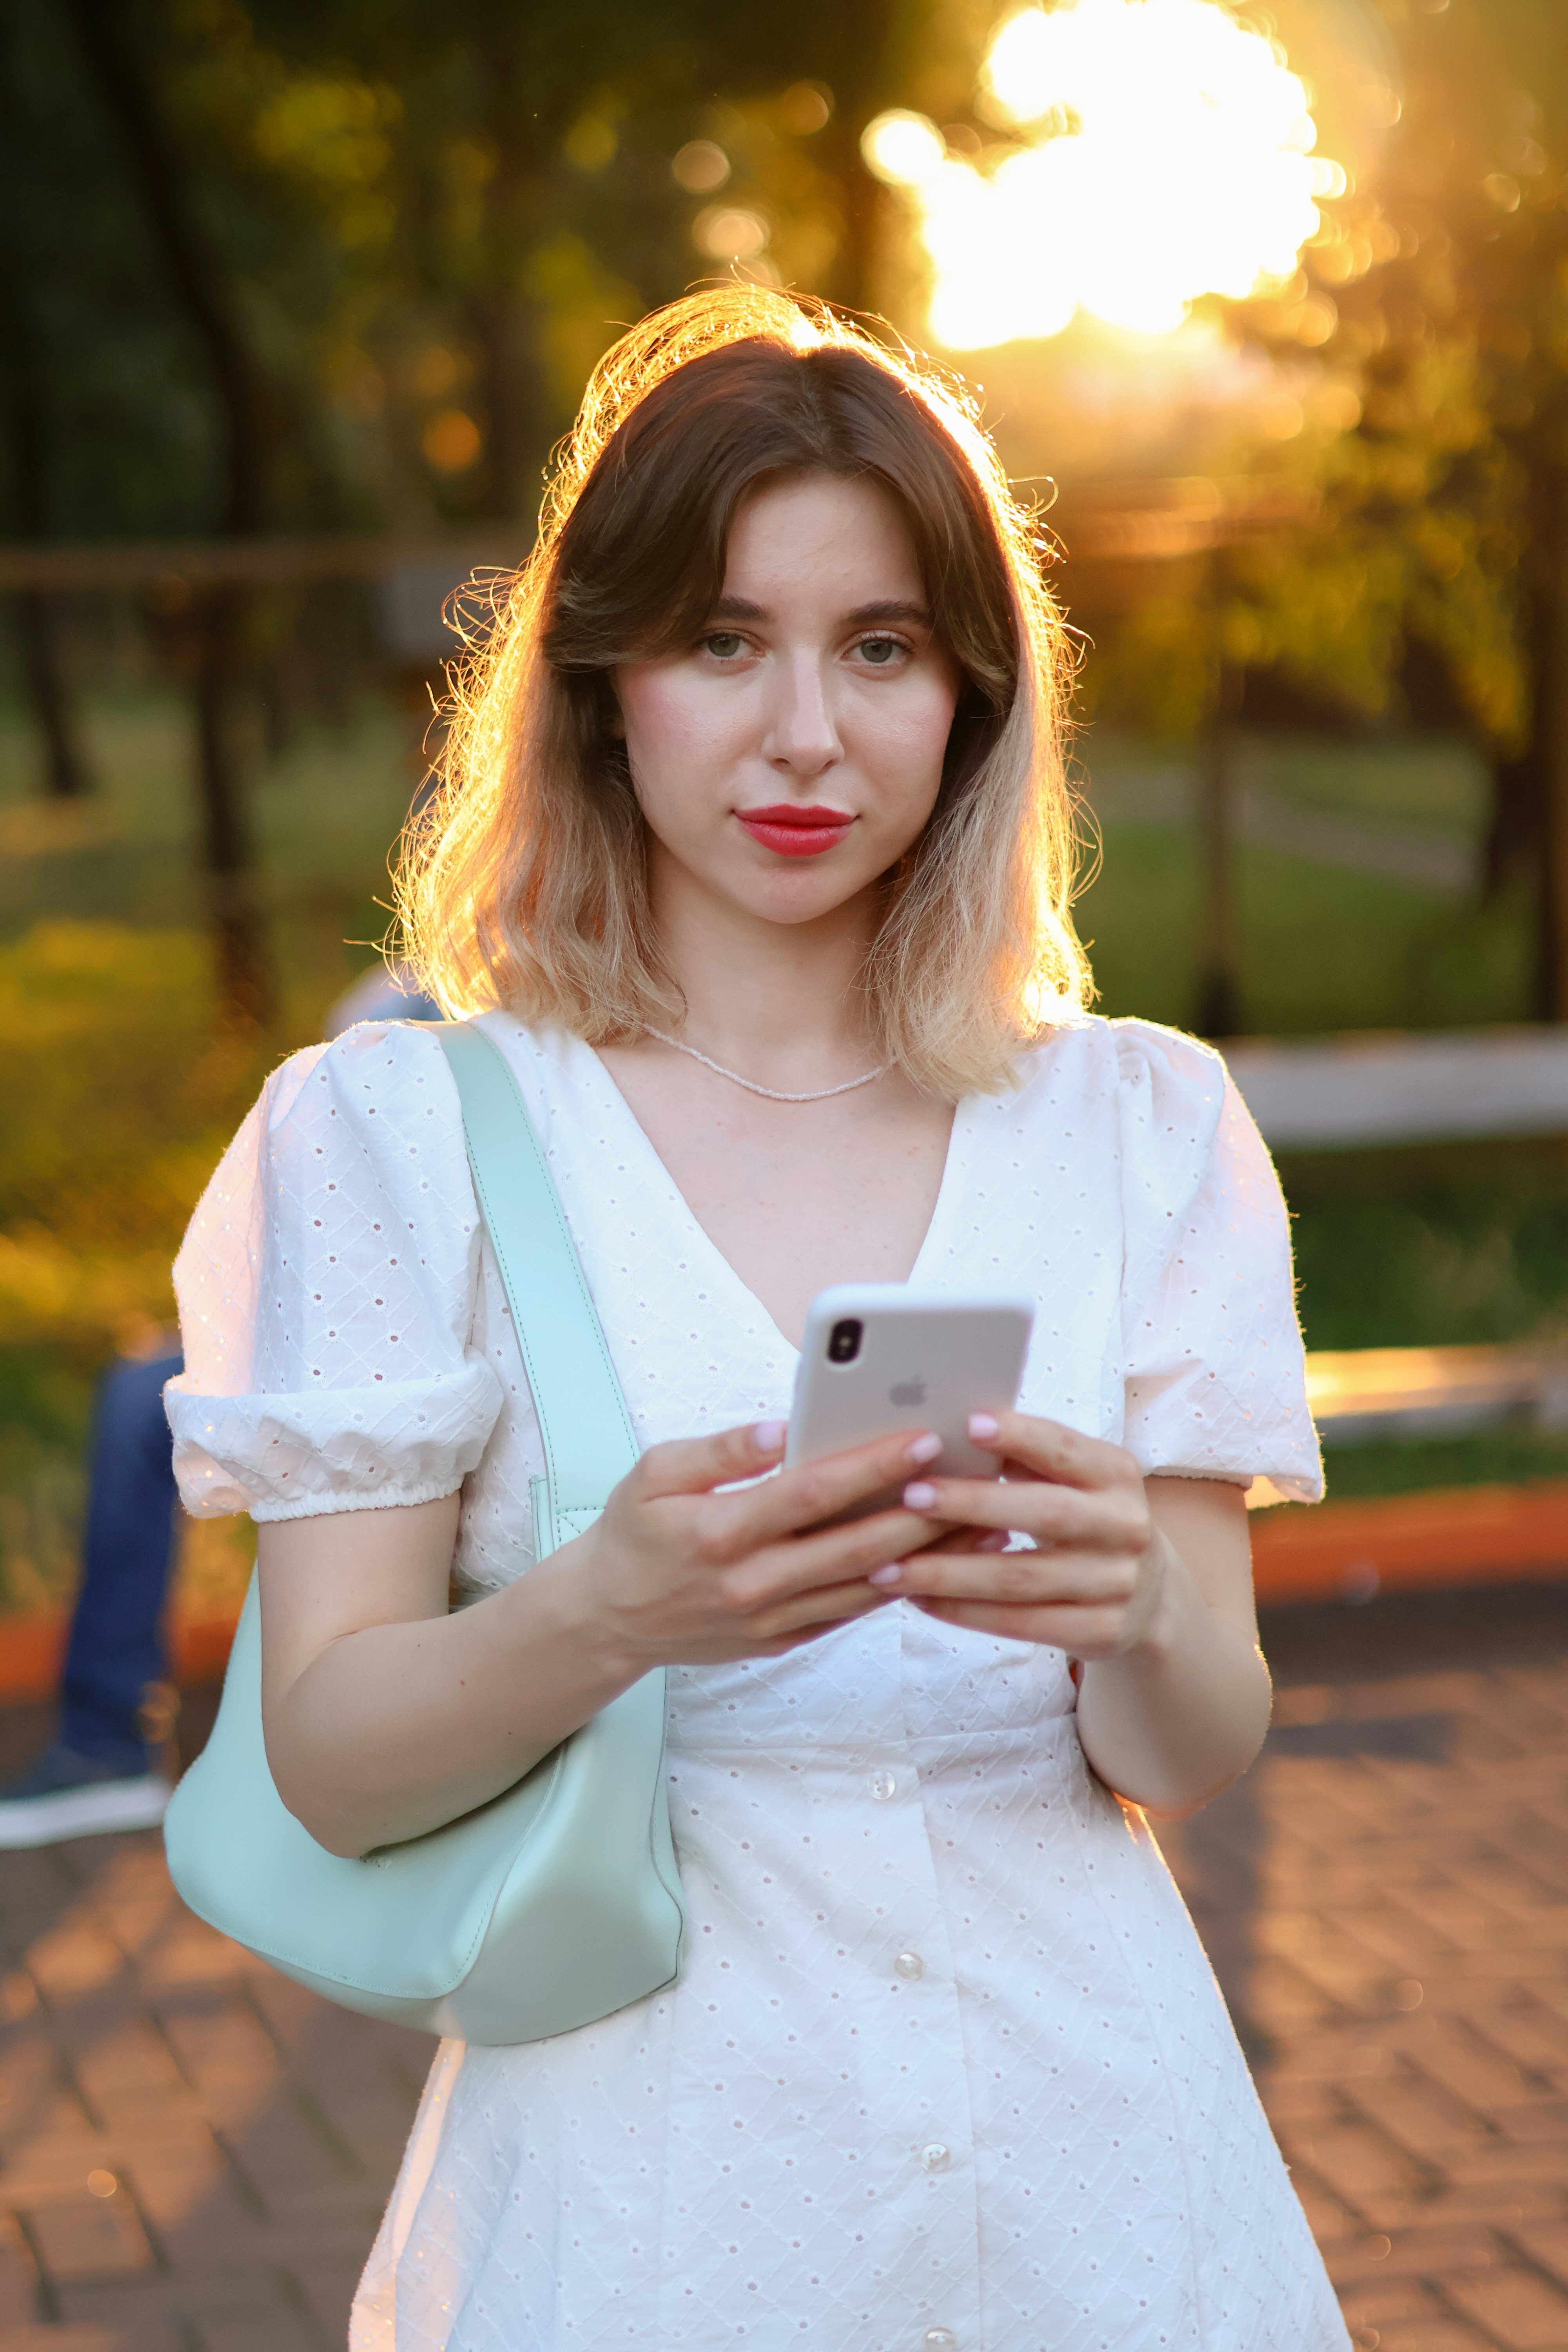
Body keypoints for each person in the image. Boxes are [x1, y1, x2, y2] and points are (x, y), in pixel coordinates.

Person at [163, 290, 1347, 2351]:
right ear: (603, 677)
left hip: (1112, 2201)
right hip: (652, 2219)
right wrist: (606, 1609)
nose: (809, 730)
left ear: (972, 698)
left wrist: (1134, 1614)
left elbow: (1196, 1741)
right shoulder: (404, 1132)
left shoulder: (1139, 1123)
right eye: (726, 640)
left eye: (881, 647)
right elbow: (332, 1764)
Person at [0, 965, 437, 1851]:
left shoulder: (592, 984)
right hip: (347, 1324)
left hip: (450, 1343)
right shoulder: (384, 1001)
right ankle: (105, 1740)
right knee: (141, 1395)